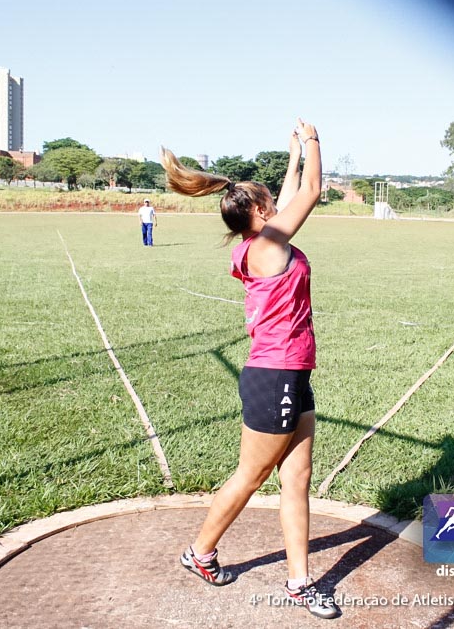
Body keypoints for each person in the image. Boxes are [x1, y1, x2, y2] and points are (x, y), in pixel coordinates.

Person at [161, 119, 338, 620]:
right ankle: (200, 554)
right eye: (270, 204)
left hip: (293, 374)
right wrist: (313, 142)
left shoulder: (256, 241)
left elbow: (289, 193)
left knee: (297, 478)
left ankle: (300, 582)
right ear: (260, 213)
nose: (277, 207)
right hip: (274, 376)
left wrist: (290, 158)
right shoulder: (266, 247)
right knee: (251, 475)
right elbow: (312, 191)